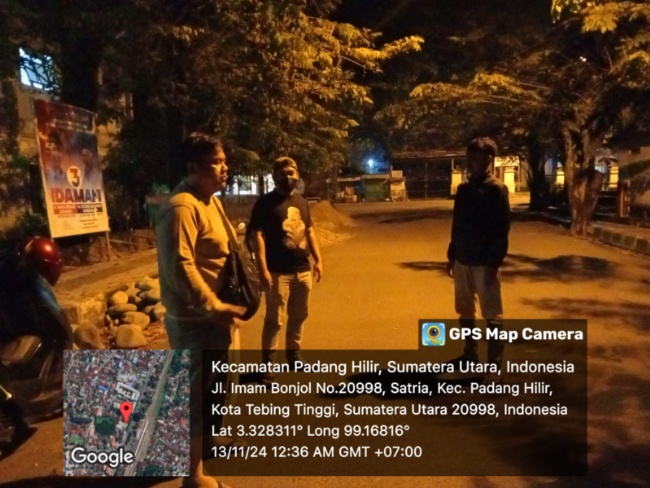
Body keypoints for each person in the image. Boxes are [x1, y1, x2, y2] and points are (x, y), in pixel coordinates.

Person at [156, 133, 244, 488]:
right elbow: (180, 266)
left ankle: (206, 444)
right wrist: (212, 305)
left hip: (216, 320)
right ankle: (193, 476)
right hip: (196, 323)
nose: (225, 168)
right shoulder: (181, 208)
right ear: (193, 167)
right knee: (197, 397)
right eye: (216, 162)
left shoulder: (208, 201)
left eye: (224, 161)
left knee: (216, 390)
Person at [248, 156, 323, 377]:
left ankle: (294, 357)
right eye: (282, 174)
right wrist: (262, 269)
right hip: (277, 272)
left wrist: (318, 260)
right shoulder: (265, 203)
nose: (287, 177)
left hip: (303, 270)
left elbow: (309, 232)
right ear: (274, 176)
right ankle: (268, 366)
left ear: (297, 174)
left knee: (299, 316)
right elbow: (257, 237)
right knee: (274, 320)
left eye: (291, 173)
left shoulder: (302, 202)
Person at [446, 137, 510, 378]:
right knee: (464, 311)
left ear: (489, 160)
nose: (471, 162)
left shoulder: (496, 189)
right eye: (469, 157)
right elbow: (457, 225)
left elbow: (501, 229)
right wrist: (452, 256)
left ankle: (494, 364)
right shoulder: (463, 189)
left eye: (476, 158)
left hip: (485, 262)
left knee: (492, 314)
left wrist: (494, 262)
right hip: (462, 259)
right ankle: (470, 353)